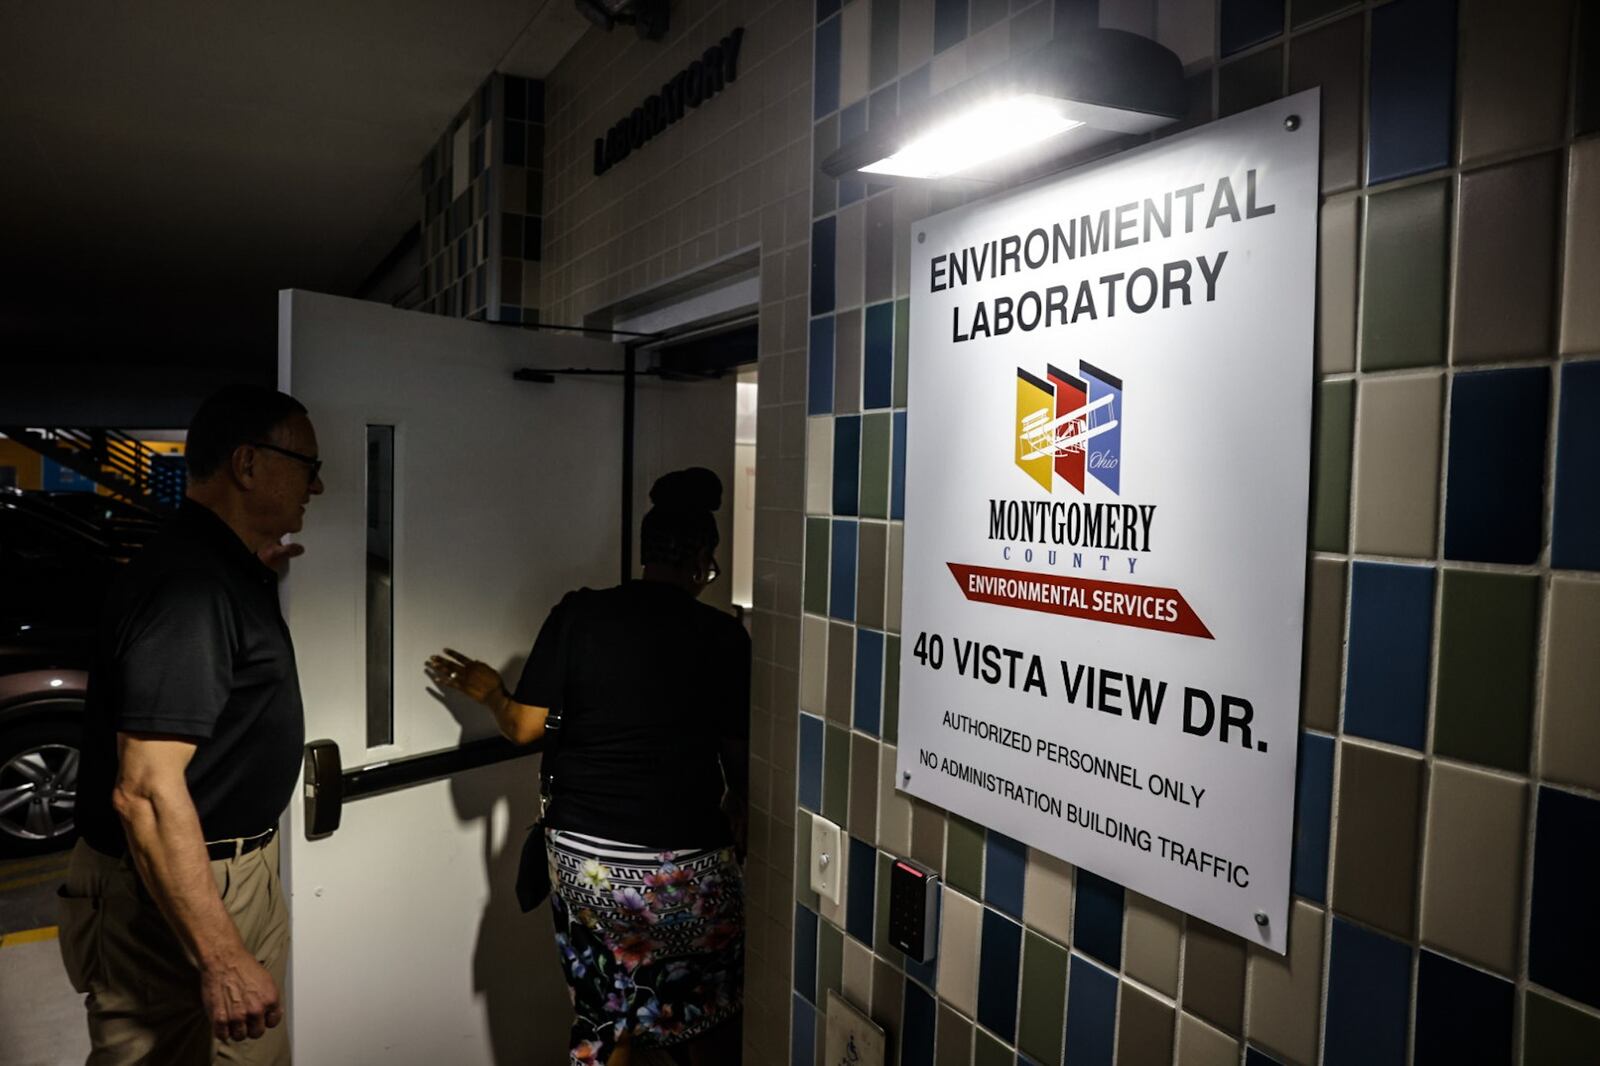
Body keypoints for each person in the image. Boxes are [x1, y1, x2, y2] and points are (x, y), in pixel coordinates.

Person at [427, 467, 750, 1066]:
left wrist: (493, 692)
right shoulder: (723, 637)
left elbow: (524, 726)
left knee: (608, 1018)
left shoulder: (580, 614)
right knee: (706, 1018)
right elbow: (739, 758)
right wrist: (738, 805)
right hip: (688, 863)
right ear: (704, 559)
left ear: (645, 553)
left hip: (588, 860)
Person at [59, 385, 323, 1065]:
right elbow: (144, 793)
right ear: (247, 463)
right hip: (173, 887)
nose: (316, 487)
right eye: (307, 465)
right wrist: (224, 958)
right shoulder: (192, 587)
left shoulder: (221, 571)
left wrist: (251, 576)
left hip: (229, 869)